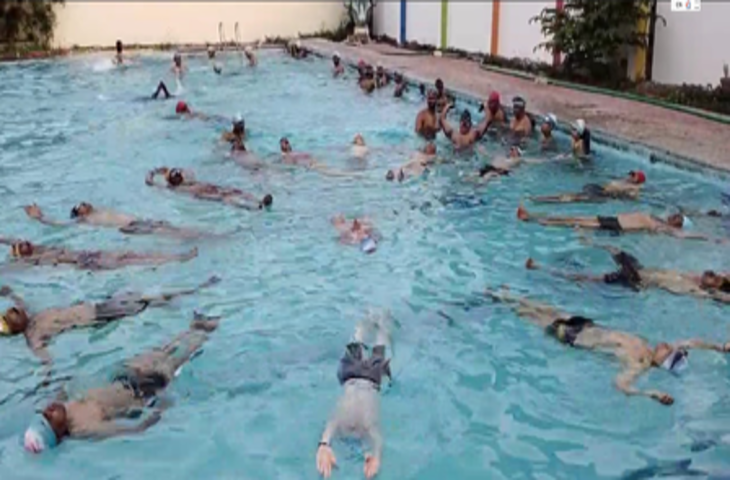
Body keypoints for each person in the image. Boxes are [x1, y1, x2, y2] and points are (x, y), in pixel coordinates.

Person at [484, 287, 730, 406]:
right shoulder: (651, 349)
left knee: (529, 315)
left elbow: (621, 385)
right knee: (542, 306)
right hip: (588, 325)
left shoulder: (638, 364)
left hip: (574, 337)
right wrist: (719, 347)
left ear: (664, 362)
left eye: (669, 350)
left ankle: (497, 302)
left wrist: (650, 394)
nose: (666, 344)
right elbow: (690, 342)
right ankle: (499, 294)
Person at [23, 313, 221, 453]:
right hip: (142, 392)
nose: (48, 410)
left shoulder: (62, 406)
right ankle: (205, 332)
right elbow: (135, 429)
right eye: (48, 418)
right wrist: (160, 409)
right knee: (176, 360)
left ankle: (193, 328)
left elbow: (63, 387)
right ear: (58, 435)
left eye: (42, 413)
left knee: (161, 351)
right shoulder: (86, 428)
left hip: (123, 376)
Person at [0, 276, 219, 363]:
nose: (13, 310)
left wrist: (9, 292)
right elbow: (44, 357)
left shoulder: (31, 315)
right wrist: (47, 379)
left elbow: (19, 301)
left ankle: (194, 291)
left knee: (145, 297)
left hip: (99, 306)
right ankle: (196, 294)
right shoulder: (34, 335)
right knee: (147, 300)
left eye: (9, 310)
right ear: (15, 328)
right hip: (101, 316)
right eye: (12, 315)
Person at [316, 311, 393, 478]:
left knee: (376, 345)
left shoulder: (363, 426)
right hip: (358, 377)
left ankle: (376, 320)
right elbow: (377, 440)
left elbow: (331, 425)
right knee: (362, 341)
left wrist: (324, 444)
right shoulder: (364, 426)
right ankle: (374, 319)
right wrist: (324, 444)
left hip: (362, 378)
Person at [525, 242, 730, 303]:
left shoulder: (697, 291)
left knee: (588, 277)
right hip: (640, 269)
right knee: (614, 249)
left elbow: (719, 296)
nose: (712, 275)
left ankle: (540, 268)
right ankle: (585, 240)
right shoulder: (694, 276)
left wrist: (720, 291)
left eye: (715, 279)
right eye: (715, 274)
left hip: (635, 279)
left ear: (714, 287)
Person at [516, 205, 720, 241]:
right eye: (676, 215)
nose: (674, 216)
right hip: (614, 220)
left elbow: (686, 236)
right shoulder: (660, 218)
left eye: (678, 219)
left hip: (618, 227)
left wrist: (713, 239)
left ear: (678, 225)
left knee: (573, 222)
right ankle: (533, 216)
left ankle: (535, 220)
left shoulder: (664, 228)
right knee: (574, 218)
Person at [23, 203, 213, 239]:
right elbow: (59, 225)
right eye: (79, 206)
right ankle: (202, 238)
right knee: (169, 233)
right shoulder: (85, 220)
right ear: (79, 214)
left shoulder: (99, 210)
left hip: (139, 222)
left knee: (170, 227)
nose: (83, 203)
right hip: (131, 228)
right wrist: (40, 217)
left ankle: (203, 234)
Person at [0, 238, 197, 271]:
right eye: (20, 246)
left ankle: (175, 256)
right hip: (87, 264)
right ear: (21, 255)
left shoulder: (41, 248)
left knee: (131, 254)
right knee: (131, 262)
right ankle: (178, 259)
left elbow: (9, 239)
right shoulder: (35, 260)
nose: (23, 243)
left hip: (90, 255)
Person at [145, 167, 273, 210]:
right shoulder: (177, 186)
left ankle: (258, 203)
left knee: (232, 193)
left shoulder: (181, 184)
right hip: (205, 192)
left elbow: (151, 181)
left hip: (207, 190)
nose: (180, 176)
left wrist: (155, 171)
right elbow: (150, 183)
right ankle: (255, 205)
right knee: (229, 196)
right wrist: (154, 172)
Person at [530, 170, 646, 204]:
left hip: (603, 196)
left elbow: (633, 197)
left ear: (637, 180)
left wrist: (626, 192)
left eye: (633, 175)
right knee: (574, 195)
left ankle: (546, 200)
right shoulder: (624, 182)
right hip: (600, 190)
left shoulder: (634, 189)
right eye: (631, 174)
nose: (630, 176)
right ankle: (544, 197)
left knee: (576, 198)